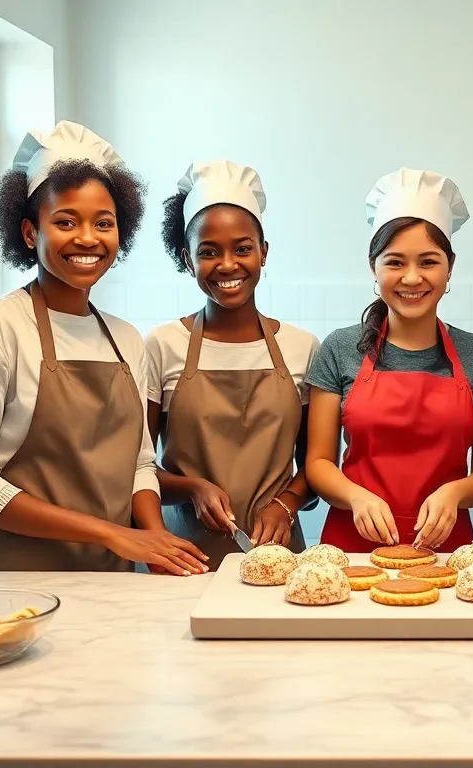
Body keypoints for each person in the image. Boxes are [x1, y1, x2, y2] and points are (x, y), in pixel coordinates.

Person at [0, 121, 207, 575]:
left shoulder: (124, 340)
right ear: (28, 233)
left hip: (112, 579)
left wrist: (155, 536)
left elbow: (140, 463)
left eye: (104, 223)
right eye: (65, 221)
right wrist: (110, 532)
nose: (87, 238)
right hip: (16, 580)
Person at [305, 168, 473, 551]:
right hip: (352, 547)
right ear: (373, 267)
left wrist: (455, 493)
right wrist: (355, 497)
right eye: (395, 262)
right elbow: (317, 462)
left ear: (450, 268)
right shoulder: (340, 348)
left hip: (446, 549)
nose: (412, 278)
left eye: (428, 262)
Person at [145, 161, 320, 569]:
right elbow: (134, 466)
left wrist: (287, 503)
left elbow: (316, 465)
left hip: (278, 559)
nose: (227, 265)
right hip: (180, 558)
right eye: (208, 252)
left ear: (264, 252)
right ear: (188, 261)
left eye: (242, 248)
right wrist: (191, 488)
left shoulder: (301, 347)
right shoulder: (162, 346)